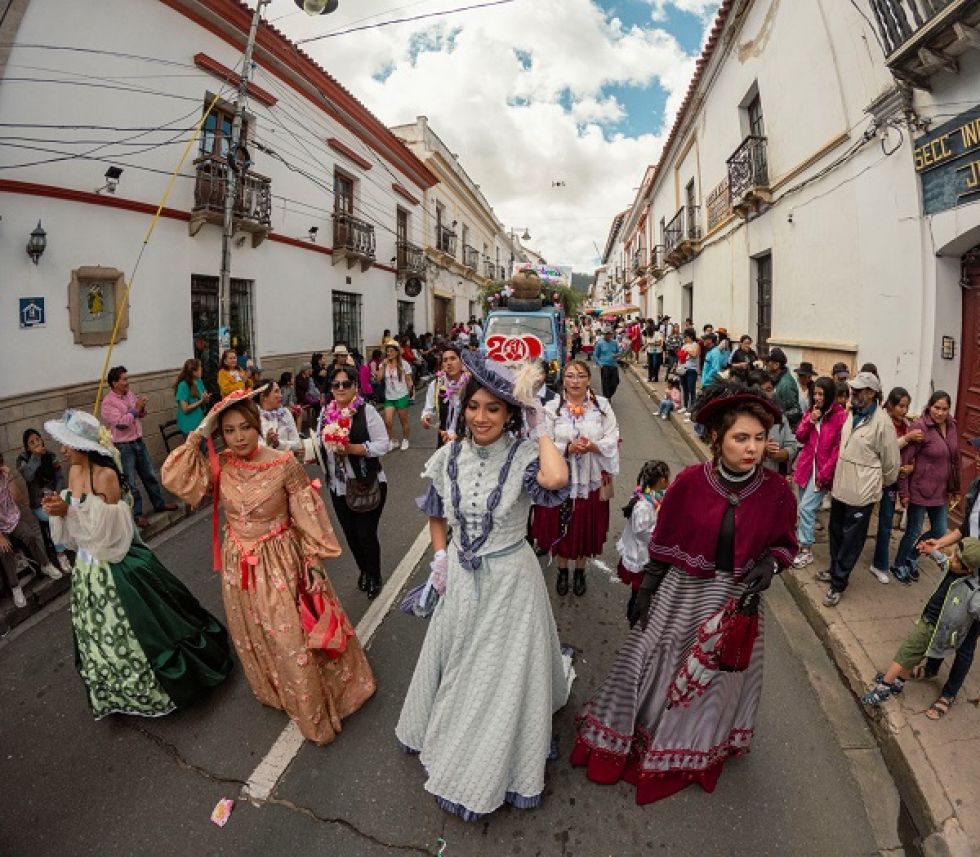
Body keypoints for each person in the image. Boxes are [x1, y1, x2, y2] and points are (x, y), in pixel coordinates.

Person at [571, 380, 797, 803]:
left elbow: (784, 544)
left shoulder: (777, 493)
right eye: (741, 438)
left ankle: (695, 744)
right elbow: (662, 541)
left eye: (760, 439)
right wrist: (645, 590)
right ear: (717, 439)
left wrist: (769, 564)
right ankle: (647, 731)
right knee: (658, 661)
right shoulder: (691, 482)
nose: (752, 448)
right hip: (681, 593)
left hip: (734, 603)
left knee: (715, 681)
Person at [396, 351, 572, 821]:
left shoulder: (527, 456)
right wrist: (439, 558)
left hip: (511, 583)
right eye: (474, 407)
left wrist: (539, 423)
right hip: (460, 577)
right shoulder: (447, 454)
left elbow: (557, 480)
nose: (481, 417)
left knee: (496, 673)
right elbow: (436, 510)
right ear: (462, 408)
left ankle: (486, 762)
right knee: (459, 663)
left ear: (510, 414)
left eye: (494, 409)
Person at [162, 389, 375, 745]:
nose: (238, 437)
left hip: (281, 564)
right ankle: (279, 690)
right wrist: (200, 431)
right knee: (255, 631)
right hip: (237, 564)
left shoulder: (283, 463)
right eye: (229, 430)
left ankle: (313, 713)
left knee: (292, 636)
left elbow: (307, 514)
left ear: (257, 425)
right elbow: (177, 479)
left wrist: (314, 564)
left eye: (245, 427)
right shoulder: (223, 462)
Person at [41, 410, 231, 718]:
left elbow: (114, 535)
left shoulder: (106, 476)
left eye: (67, 444)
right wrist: (59, 510)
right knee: (97, 636)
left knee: (149, 627)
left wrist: (70, 510)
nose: (62, 450)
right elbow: (78, 534)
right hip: (87, 571)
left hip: (115, 565)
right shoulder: (73, 474)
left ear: (84, 446)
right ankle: (117, 691)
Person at [859, 538, 980, 722]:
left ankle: (883, 688)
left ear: (969, 569)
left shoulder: (973, 590)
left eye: (956, 559)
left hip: (934, 627)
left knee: (905, 653)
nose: (951, 559)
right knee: (914, 656)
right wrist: (932, 551)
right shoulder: (952, 567)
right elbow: (942, 560)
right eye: (954, 554)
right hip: (928, 620)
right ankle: (899, 683)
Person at [531, 360, 620, 596]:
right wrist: (566, 448)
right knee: (562, 526)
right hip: (561, 479)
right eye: (570, 376)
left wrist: (594, 446)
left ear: (589, 379)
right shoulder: (552, 407)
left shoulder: (601, 406)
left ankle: (580, 571)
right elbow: (543, 440)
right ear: (564, 380)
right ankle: (562, 570)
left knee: (584, 526)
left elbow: (613, 436)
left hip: (589, 479)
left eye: (581, 376)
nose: (575, 381)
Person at [820, 372, 901, 607]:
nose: (852, 393)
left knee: (851, 540)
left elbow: (891, 464)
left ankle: (838, 583)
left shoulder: (883, 423)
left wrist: (877, 484)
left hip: (862, 492)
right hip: (841, 487)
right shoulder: (851, 413)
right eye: (852, 390)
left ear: (871, 393)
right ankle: (834, 569)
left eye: (857, 390)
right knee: (835, 531)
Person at [916, 437, 980, 720]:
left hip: (975, 578)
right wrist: (939, 543)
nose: (977, 458)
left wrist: (966, 563)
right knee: (942, 616)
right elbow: (965, 529)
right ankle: (931, 668)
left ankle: (949, 692)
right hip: (961, 564)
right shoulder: (978, 486)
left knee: (967, 637)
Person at [313, 366, 389, 599]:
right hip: (339, 487)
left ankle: (374, 575)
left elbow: (383, 444)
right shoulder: (326, 414)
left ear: (356, 386)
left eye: (346, 384)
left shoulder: (366, 412)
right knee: (351, 535)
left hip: (367, 483)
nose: (341, 388)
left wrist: (352, 449)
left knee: (366, 534)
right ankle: (364, 570)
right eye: (336, 385)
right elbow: (318, 443)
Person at [892, 391, 959, 584]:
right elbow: (905, 461)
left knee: (939, 530)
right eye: (936, 408)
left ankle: (912, 556)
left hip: (941, 491)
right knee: (913, 530)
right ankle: (898, 564)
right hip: (920, 489)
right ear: (929, 407)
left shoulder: (952, 426)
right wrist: (904, 492)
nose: (940, 413)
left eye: (944, 409)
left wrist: (955, 489)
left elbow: (955, 459)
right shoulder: (920, 427)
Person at [100, 366, 178, 528]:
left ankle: (159, 503)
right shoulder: (108, 403)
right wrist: (136, 409)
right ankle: (137, 515)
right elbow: (121, 424)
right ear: (114, 383)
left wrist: (141, 409)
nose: (127, 382)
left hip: (138, 440)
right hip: (123, 445)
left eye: (127, 379)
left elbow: (138, 415)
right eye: (124, 379)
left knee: (149, 474)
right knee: (131, 482)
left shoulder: (129, 394)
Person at [790, 376, 846, 568]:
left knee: (807, 508)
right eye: (815, 393)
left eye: (821, 394)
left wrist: (825, 473)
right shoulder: (812, 412)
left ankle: (805, 549)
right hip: (806, 467)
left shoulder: (840, 417)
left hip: (821, 472)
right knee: (804, 510)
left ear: (830, 395)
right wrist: (810, 421)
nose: (817, 397)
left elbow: (838, 449)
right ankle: (801, 544)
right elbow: (800, 436)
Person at [870, 388, 920, 582]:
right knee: (865, 520)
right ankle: (870, 561)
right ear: (890, 404)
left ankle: (879, 563)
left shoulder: (907, 424)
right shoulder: (882, 421)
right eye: (901, 406)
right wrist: (906, 439)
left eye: (907, 406)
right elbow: (886, 448)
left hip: (895, 481)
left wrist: (911, 467)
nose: (904, 410)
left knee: (886, 521)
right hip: (878, 477)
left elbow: (912, 453)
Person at [1, 453, 64, 608]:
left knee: (30, 536)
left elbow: (19, 498)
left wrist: (9, 478)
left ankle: (45, 564)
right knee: (5, 551)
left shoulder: (4, 478)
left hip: (13, 519)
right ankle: (15, 587)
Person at [616, 460, 670, 612]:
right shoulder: (644, 506)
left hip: (645, 551)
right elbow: (643, 533)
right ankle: (634, 609)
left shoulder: (651, 495)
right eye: (668, 478)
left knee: (643, 587)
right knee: (640, 588)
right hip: (643, 554)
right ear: (662, 480)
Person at [16, 429, 71, 575]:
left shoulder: (51, 456)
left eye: (38, 439)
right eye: (32, 442)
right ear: (27, 447)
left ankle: (75, 545)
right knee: (54, 516)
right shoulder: (22, 460)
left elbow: (60, 477)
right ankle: (61, 555)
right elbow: (28, 476)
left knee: (71, 509)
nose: (36, 443)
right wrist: (35, 456)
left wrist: (57, 493)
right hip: (39, 504)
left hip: (54, 496)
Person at [750, 370, 799, 476]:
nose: (766, 395)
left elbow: (792, 446)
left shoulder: (780, 417)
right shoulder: (741, 418)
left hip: (772, 477)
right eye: (760, 391)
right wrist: (762, 448)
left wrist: (778, 455)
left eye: (769, 389)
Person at [421, 346, 468, 447]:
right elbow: (428, 409)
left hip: (467, 439)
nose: (449, 363)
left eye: (453, 358)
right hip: (444, 437)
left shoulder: (470, 384)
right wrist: (426, 417)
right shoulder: (436, 384)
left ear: (462, 362)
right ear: (442, 365)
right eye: (445, 360)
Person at [377, 341, 415, 450]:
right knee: (388, 421)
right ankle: (393, 440)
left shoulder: (404, 364)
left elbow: (409, 380)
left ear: (397, 352)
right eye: (387, 351)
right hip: (389, 397)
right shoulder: (383, 364)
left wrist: (410, 392)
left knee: (404, 421)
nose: (389, 353)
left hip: (402, 396)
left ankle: (405, 439)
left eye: (391, 351)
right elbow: (378, 378)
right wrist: (383, 366)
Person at [258, 380, 302, 454]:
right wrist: (267, 442)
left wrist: (278, 444)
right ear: (263, 397)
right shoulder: (255, 417)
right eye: (276, 391)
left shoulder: (285, 413)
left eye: (279, 391)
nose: (280, 395)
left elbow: (297, 445)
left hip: (287, 462)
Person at [766, 348, 802, 429]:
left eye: (768, 362)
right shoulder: (776, 379)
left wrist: (778, 416)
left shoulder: (786, 384)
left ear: (776, 365)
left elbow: (795, 411)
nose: (766, 364)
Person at [174, 359, 211, 437]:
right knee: (195, 448)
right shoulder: (183, 385)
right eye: (200, 367)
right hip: (190, 425)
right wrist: (201, 401)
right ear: (193, 372)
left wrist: (206, 398)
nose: (202, 369)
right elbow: (185, 409)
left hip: (200, 422)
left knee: (204, 448)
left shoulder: (199, 381)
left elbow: (205, 399)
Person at [593, 327, 621, 401]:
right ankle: (607, 397)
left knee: (615, 382)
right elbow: (595, 355)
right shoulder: (600, 343)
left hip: (613, 365)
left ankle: (609, 394)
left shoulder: (614, 342)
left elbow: (619, 352)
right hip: (604, 365)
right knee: (605, 382)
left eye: (609, 334)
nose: (608, 335)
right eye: (606, 334)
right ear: (603, 334)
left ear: (611, 335)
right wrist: (600, 364)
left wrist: (617, 355)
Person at [678, 328, 700, 414]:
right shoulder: (683, 345)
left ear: (690, 336)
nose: (684, 339)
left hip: (692, 369)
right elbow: (680, 357)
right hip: (683, 369)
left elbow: (694, 354)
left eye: (686, 337)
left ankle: (692, 408)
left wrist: (687, 350)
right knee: (685, 388)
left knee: (691, 389)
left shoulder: (696, 345)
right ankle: (685, 406)